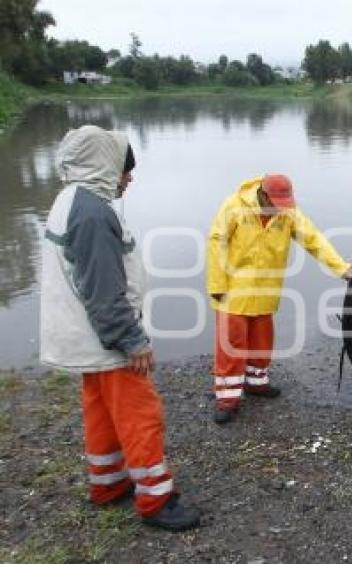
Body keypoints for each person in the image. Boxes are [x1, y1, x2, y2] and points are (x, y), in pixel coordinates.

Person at [40, 125, 200, 531]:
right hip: (106, 341)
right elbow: (103, 288)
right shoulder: (93, 214)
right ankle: (156, 499)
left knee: (101, 412)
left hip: (85, 339)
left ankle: (108, 484)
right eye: (124, 170)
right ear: (104, 166)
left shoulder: (70, 199)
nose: (129, 178)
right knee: (141, 415)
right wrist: (131, 340)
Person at [206, 173, 352, 424]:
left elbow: (314, 239)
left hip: (265, 291)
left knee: (261, 342)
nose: (282, 208)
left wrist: (341, 267)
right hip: (232, 291)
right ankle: (227, 400)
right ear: (264, 194)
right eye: (277, 202)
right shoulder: (234, 206)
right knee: (231, 347)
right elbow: (216, 243)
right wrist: (216, 284)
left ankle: (257, 383)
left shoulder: (288, 212)